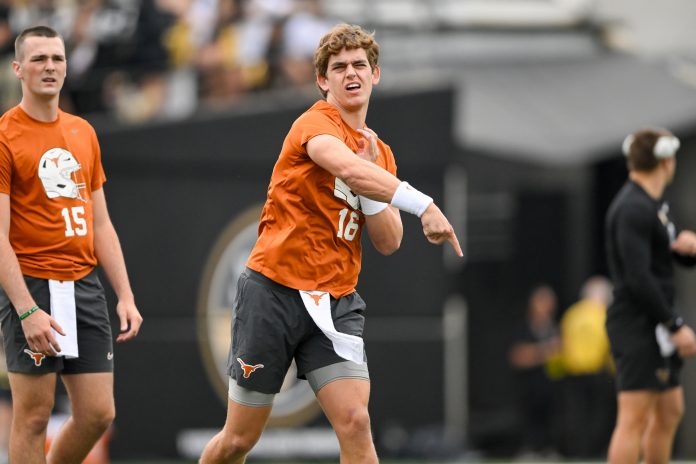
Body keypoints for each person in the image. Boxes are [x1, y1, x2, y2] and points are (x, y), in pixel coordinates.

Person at [199, 23, 462, 464]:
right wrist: (425, 205)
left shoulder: (380, 153)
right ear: (323, 81)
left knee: (356, 423)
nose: (350, 73)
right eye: (338, 67)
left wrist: (373, 190)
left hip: (335, 300)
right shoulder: (315, 122)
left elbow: (388, 241)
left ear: (375, 74)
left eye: (360, 65)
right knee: (238, 439)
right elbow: (348, 168)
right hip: (275, 292)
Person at [0, 26, 143, 463]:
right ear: (18, 68)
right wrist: (25, 308)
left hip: (84, 286)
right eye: (40, 59)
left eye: (57, 59)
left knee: (98, 413)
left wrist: (126, 294)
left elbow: (101, 223)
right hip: (33, 284)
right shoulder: (5, 134)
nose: (50, 67)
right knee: (33, 415)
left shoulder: (83, 132)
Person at [605, 128, 696, 464]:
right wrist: (675, 325)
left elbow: (659, 256)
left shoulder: (654, 204)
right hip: (637, 323)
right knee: (634, 418)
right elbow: (637, 277)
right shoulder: (632, 207)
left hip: (654, 321)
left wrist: (686, 249)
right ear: (665, 160)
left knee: (670, 410)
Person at [559, 275, 615, 458]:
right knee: (598, 415)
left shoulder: (572, 314)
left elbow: (562, 344)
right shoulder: (604, 315)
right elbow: (609, 346)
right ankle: (595, 452)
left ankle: (577, 452)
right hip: (597, 372)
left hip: (572, 373)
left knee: (575, 415)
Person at [508, 284, 562, 457]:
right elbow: (517, 356)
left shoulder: (555, 328)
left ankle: (548, 449)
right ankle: (531, 450)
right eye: (542, 301)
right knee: (531, 425)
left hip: (552, 390)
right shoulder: (522, 328)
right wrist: (545, 351)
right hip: (529, 390)